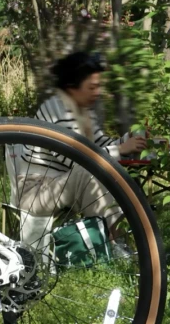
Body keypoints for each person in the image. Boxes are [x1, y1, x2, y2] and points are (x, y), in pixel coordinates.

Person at [17, 50, 148, 238]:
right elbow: (78, 160)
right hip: (37, 192)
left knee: (107, 172)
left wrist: (127, 140)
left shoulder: (83, 111)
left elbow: (100, 144)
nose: (98, 92)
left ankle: (120, 237)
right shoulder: (57, 110)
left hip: (62, 184)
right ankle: (111, 240)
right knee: (91, 172)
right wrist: (120, 149)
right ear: (73, 87)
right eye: (92, 87)